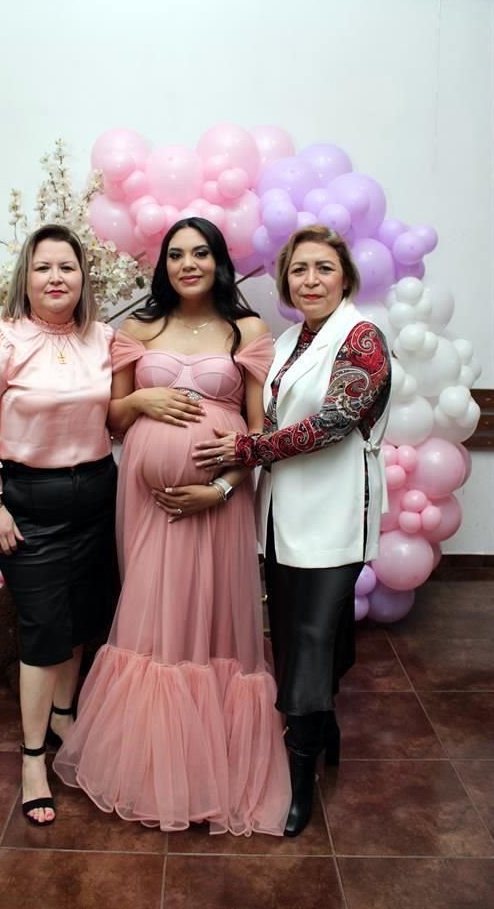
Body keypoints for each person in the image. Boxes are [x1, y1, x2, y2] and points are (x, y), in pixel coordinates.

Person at [54, 217, 291, 835]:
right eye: (177, 254)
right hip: (148, 501)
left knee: (209, 619)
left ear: (218, 262)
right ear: (164, 264)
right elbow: (110, 418)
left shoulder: (247, 329)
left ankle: (210, 765)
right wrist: (142, 403)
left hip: (220, 503)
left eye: (202, 253)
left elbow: (260, 432)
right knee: (153, 616)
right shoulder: (138, 328)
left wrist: (218, 488)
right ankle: (147, 764)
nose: (189, 263)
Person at [193, 224, 391, 836]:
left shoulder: (361, 337)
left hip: (334, 512)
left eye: (323, 268)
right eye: (299, 270)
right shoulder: (286, 342)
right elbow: (265, 411)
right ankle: (323, 723)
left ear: (345, 277)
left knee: (308, 638)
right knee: (296, 630)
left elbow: (334, 420)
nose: (310, 280)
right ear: (286, 282)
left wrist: (248, 448)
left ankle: (298, 777)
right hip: (280, 516)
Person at [0, 223, 118, 827]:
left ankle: (65, 718)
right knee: (43, 628)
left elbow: (120, 413)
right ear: (27, 276)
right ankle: (30, 758)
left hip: (98, 496)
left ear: (82, 278)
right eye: (44, 267)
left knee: (80, 620)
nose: (56, 278)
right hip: (28, 502)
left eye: (67, 268)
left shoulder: (105, 340)